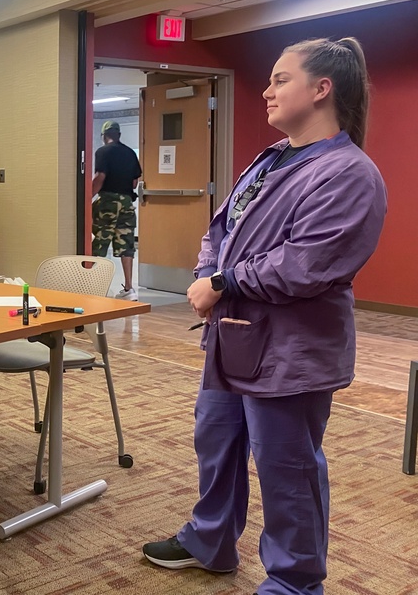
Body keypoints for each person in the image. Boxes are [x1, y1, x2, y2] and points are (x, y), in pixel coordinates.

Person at [142, 38, 387, 595]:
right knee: (217, 442)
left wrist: (222, 283)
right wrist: (209, 271)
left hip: (290, 350)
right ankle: (210, 541)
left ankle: (295, 582)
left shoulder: (349, 173)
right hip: (234, 337)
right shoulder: (270, 159)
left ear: (322, 89)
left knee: (286, 467)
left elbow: (306, 265)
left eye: (280, 79)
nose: (266, 90)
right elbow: (221, 230)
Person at [91, 120, 143, 300]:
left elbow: (100, 177)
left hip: (108, 202)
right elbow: (134, 182)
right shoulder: (130, 153)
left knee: (100, 242)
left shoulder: (103, 151)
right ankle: (129, 289)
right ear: (119, 135)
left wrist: (87, 196)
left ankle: (96, 287)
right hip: (127, 202)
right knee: (126, 244)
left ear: (104, 136)